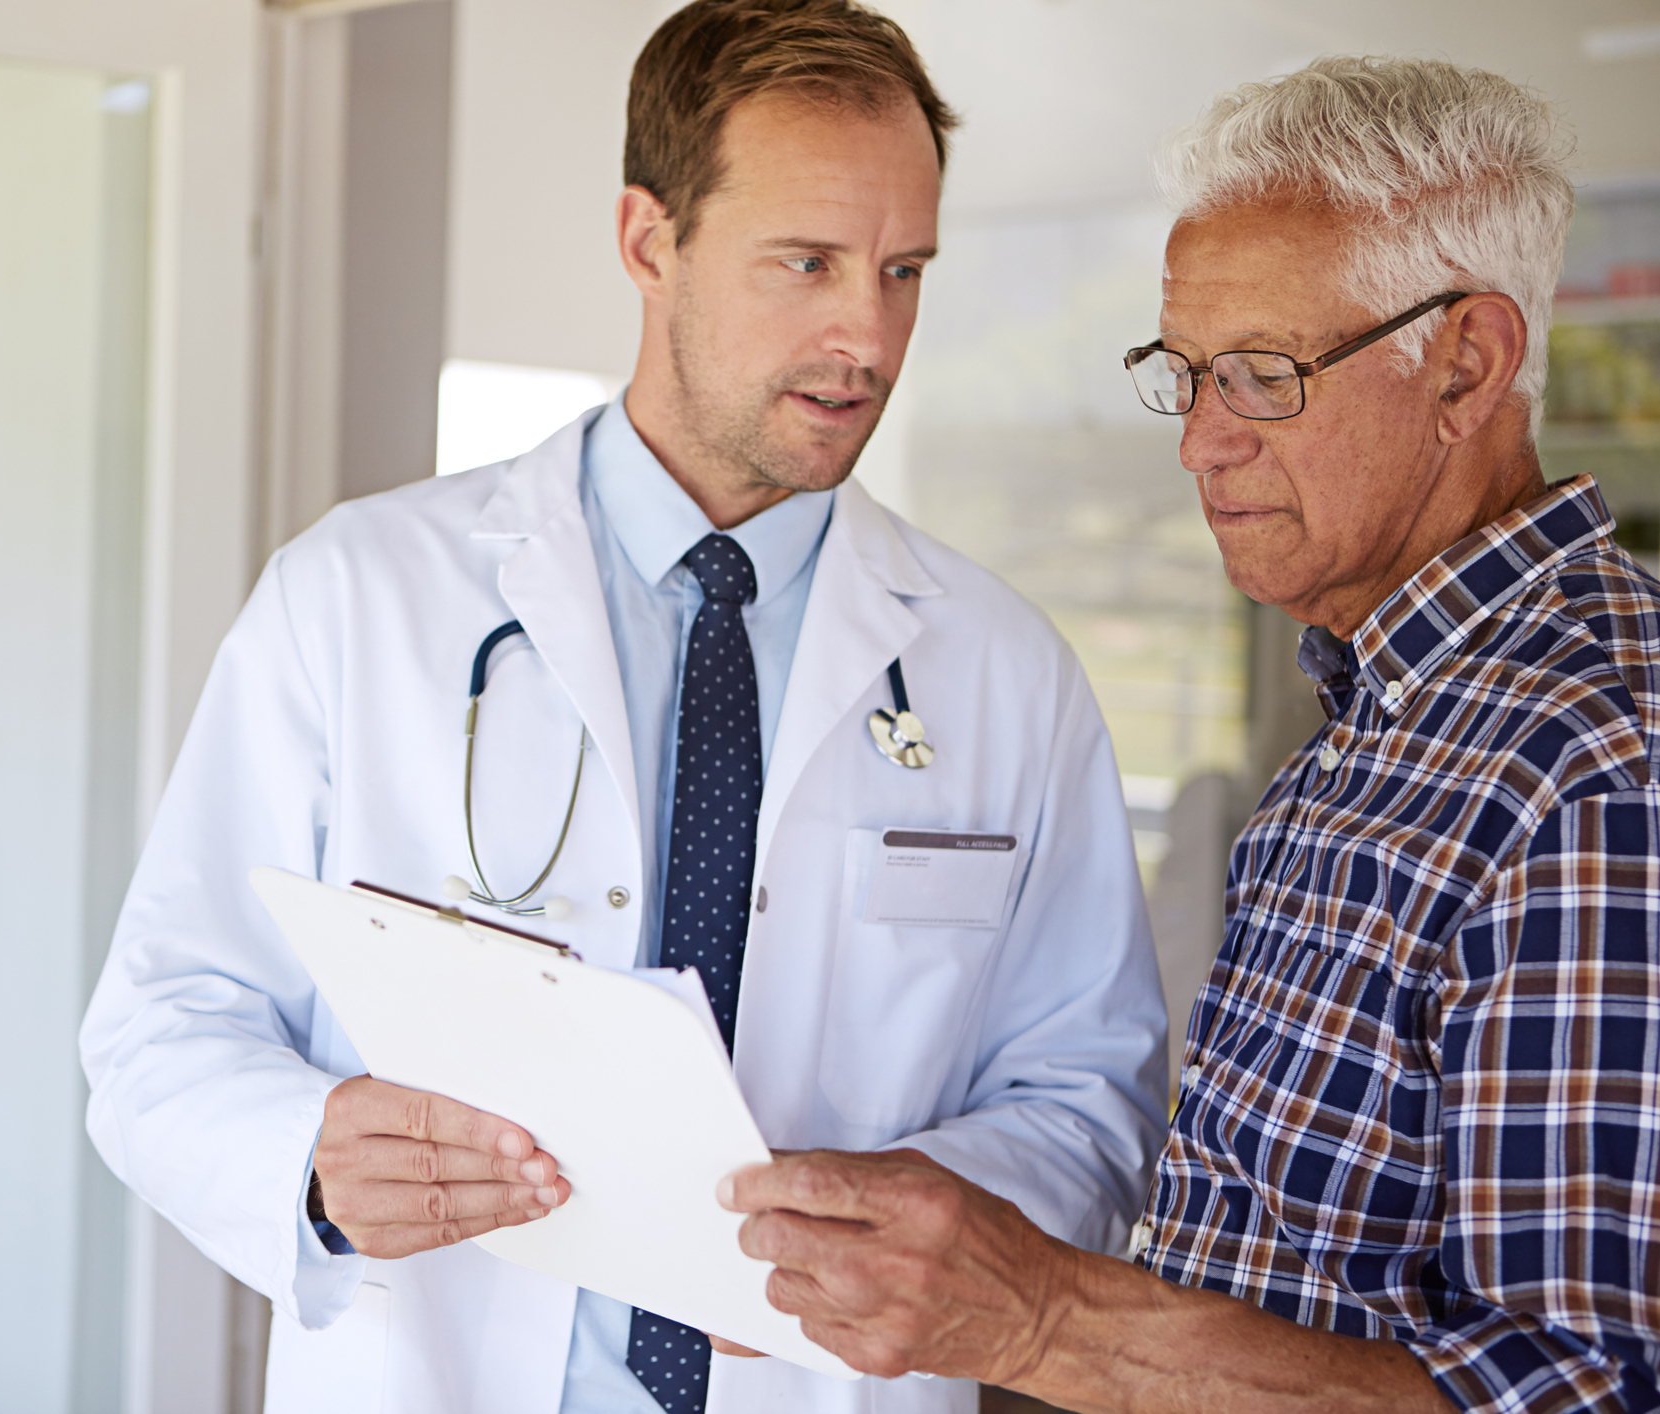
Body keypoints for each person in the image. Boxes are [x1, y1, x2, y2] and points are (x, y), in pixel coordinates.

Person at [79, 2, 1167, 1411]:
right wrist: (311, 1153)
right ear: (648, 242)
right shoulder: (357, 595)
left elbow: (1091, 1093)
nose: (868, 333)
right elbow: (159, 1026)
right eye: (807, 261)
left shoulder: (1003, 669)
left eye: (904, 270)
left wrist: (923, 1224)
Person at [718, 53, 1660, 1414]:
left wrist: (1044, 1318)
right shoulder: (1359, 743)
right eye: (1188, 373)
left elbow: (1591, 1396)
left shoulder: (1593, 771)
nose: (1199, 444)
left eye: (1264, 375)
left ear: (1467, 361)